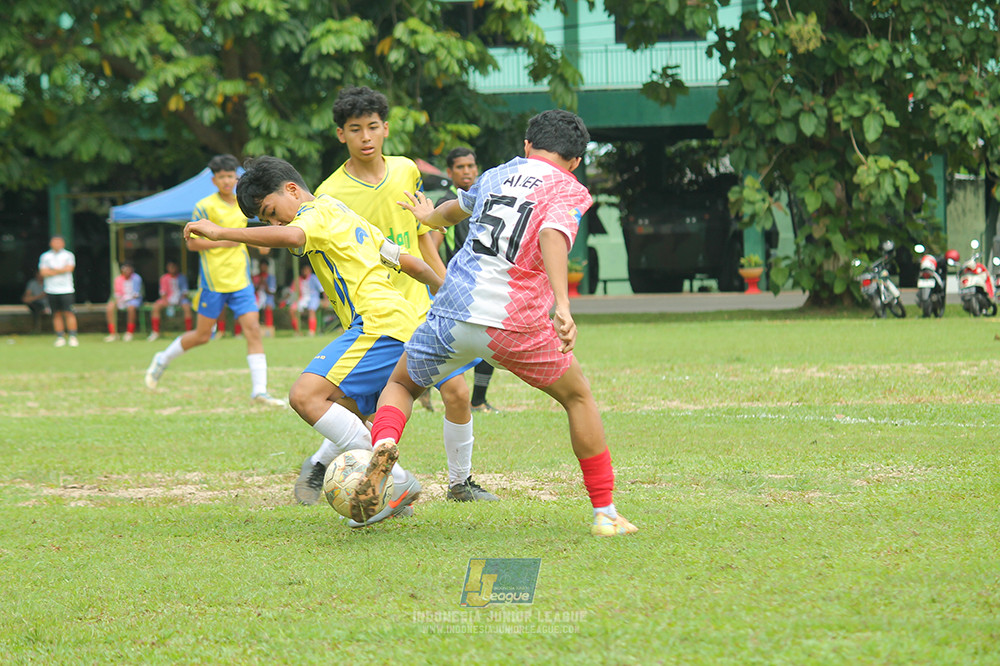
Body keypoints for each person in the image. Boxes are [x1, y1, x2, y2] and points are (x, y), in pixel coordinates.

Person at [351, 110, 638, 537]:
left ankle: (384, 444)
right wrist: (562, 304)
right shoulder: (568, 188)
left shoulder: (495, 174)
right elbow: (552, 235)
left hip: (453, 310)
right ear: (576, 161)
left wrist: (427, 218)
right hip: (514, 324)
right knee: (578, 398)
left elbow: (453, 211)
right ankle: (605, 513)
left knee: (402, 385)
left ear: (527, 146)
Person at [185, 155, 442, 526]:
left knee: (305, 396)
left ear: (291, 189)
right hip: (397, 322)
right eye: (268, 221)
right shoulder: (345, 214)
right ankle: (390, 496)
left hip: (378, 323)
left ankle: (396, 482)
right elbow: (410, 263)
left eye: (273, 212)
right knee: (346, 407)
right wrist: (447, 295)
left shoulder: (316, 213)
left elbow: (292, 234)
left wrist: (223, 232)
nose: (276, 223)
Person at [310, 85, 497, 503]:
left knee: (457, 392)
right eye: (355, 129)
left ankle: (460, 483)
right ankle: (324, 463)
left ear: (386, 128)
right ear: (341, 134)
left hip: (421, 304)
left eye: (372, 127)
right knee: (369, 406)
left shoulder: (406, 170)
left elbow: (422, 233)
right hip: (375, 311)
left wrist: (444, 284)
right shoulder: (329, 193)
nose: (365, 137)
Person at [143, 154, 285, 407]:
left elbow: (256, 230)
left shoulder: (244, 204)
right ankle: (162, 359)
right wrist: (224, 241)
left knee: (253, 330)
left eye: (230, 176)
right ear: (214, 180)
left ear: (236, 177)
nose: (227, 181)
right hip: (213, 282)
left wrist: (262, 245)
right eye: (222, 177)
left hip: (240, 280)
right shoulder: (204, 206)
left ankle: (259, 392)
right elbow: (192, 244)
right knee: (202, 335)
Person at [430, 147, 501, 415]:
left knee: (488, 338)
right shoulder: (448, 203)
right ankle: (469, 399)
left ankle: (478, 399)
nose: (467, 171)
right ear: (450, 172)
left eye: (471, 166)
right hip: (458, 285)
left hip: (483, 280)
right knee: (456, 342)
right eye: (460, 167)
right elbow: (432, 244)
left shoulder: (482, 199)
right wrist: (442, 279)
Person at [38, 235, 79, 348]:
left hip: (66, 289)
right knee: (56, 313)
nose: (57, 244)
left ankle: (72, 336)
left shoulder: (68, 255)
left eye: (59, 242)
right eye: (54, 242)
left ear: (63, 244)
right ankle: (60, 336)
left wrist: (52, 270)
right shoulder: (45, 256)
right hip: (51, 289)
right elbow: (43, 272)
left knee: (69, 312)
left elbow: (69, 269)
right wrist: (60, 270)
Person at [148, 261, 193, 341]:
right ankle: (155, 332)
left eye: (174, 266)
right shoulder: (164, 278)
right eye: (170, 267)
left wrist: (180, 300)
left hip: (180, 299)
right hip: (168, 299)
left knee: (187, 307)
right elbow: (163, 292)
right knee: (156, 306)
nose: (172, 269)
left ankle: (188, 332)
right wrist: (166, 301)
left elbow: (185, 292)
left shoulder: (182, 277)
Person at [104, 262, 143, 341]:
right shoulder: (118, 279)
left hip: (133, 300)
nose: (127, 271)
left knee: (131, 308)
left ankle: (129, 333)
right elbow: (117, 293)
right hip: (121, 300)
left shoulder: (136, 278)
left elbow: (137, 294)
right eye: (125, 269)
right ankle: (113, 333)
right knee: (110, 307)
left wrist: (128, 298)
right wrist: (120, 299)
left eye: (129, 269)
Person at [288, 264, 322, 336]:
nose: (305, 272)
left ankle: (311, 331)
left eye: (307, 270)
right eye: (304, 270)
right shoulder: (298, 279)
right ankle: (298, 331)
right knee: (292, 310)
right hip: (302, 298)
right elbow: (291, 291)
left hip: (313, 297)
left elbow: (321, 289)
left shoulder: (313, 278)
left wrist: (325, 300)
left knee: (311, 309)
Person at [253, 257, 277, 337]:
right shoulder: (255, 277)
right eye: (261, 266)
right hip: (257, 297)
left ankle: (269, 329)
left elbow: (271, 292)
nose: (263, 268)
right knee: (252, 308)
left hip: (267, 297)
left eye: (264, 266)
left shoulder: (271, 278)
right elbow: (253, 290)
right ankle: (254, 328)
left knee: (268, 306)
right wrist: (260, 282)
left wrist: (265, 283)